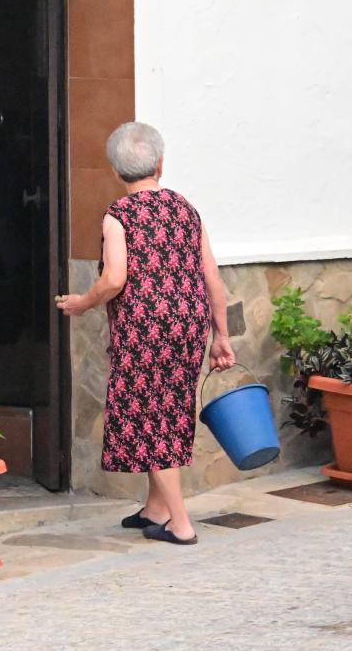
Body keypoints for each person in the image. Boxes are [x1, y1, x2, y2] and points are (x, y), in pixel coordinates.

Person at [56, 121, 234, 545]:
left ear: (115, 172)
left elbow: (115, 279)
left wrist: (83, 301)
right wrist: (221, 335)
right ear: (160, 163)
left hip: (144, 330)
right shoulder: (186, 209)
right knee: (170, 410)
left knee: (151, 419)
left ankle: (180, 521)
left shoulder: (119, 216)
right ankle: (155, 508)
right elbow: (212, 276)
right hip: (189, 325)